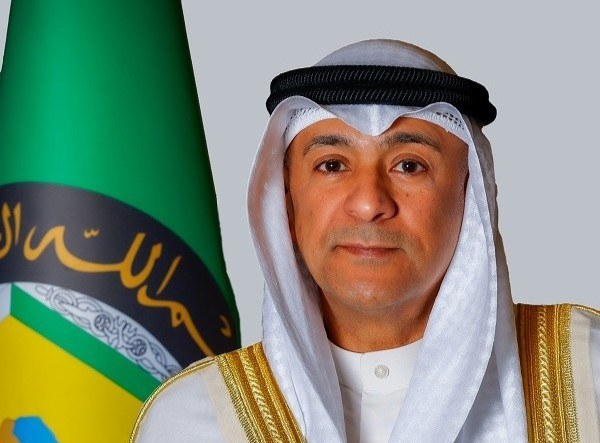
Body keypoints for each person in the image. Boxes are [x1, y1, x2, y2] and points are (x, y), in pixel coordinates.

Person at [130, 39, 600, 442]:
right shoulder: (196, 421)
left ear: (470, 196)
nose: (369, 202)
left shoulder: (587, 375)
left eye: (409, 165)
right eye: (332, 165)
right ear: (286, 201)